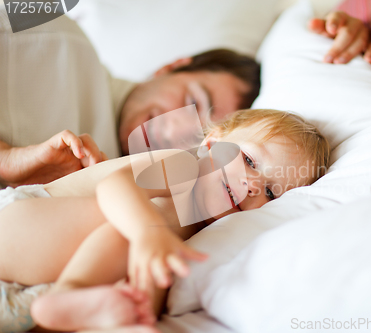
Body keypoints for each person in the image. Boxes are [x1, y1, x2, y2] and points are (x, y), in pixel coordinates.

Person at [0, 108, 331, 332]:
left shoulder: (206, 228)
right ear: (212, 143)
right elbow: (115, 187)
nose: (253, 184)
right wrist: (147, 235)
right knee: (152, 226)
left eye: (271, 193)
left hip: (29, 285)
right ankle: (70, 293)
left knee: (166, 260)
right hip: (19, 226)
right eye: (249, 159)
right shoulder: (187, 165)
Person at [0, 7, 371, 189]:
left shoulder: (142, 191)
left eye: (202, 138)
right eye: (195, 101)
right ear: (173, 66)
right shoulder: (52, 32)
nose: (180, 132)